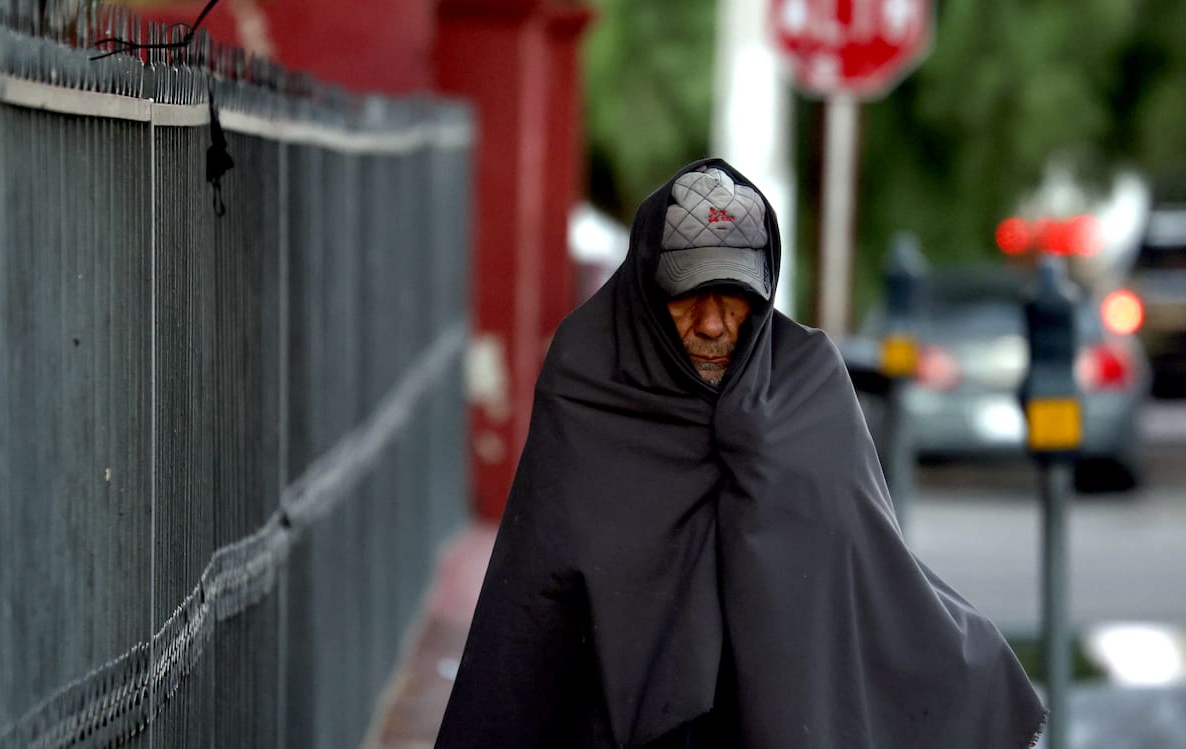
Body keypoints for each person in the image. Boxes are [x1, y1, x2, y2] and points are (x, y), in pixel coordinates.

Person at [436, 159, 1046, 748]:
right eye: (687, 295)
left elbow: (864, 564)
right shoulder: (592, 382)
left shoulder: (807, 385)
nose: (711, 324)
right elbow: (539, 596)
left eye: (733, 296)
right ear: (648, 288)